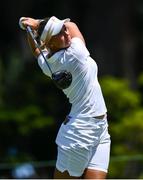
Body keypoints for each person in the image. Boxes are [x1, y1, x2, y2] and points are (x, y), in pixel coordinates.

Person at [19, 16, 111, 179]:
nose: (66, 33)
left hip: (100, 130)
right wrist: (37, 23)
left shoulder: (48, 63)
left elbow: (36, 51)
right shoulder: (75, 53)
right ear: (51, 43)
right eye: (59, 33)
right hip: (79, 133)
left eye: (64, 29)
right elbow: (72, 24)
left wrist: (31, 30)